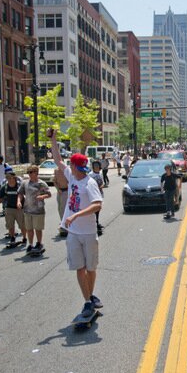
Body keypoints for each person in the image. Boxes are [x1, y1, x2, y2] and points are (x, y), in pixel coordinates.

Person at [50, 130, 104, 319]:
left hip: (88, 232)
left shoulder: (89, 183)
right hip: (74, 233)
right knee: (79, 268)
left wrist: (76, 215)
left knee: (90, 268)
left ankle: (90, 295)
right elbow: (57, 159)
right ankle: (88, 301)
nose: (72, 168)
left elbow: (97, 205)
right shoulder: (71, 177)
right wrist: (53, 139)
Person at [17, 165, 51, 254]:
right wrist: (19, 202)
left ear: (36, 173)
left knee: (38, 229)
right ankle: (31, 244)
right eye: (28, 172)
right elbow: (20, 193)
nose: (29, 174)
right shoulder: (25, 183)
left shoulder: (41, 183)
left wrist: (42, 196)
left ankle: (39, 243)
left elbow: (49, 194)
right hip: (27, 209)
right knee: (29, 229)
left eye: (31, 172)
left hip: (38, 210)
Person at [0, 168, 26, 247]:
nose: (8, 179)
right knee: (10, 225)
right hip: (9, 208)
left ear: (14, 177)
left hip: (19, 209)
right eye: (7, 177)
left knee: (22, 225)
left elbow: (21, 195)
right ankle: (12, 237)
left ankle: (24, 238)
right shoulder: (4, 187)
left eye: (9, 177)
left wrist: (20, 203)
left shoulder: (19, 186)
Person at [89, 160, 105, 235]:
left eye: (97, 166)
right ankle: (94, 225)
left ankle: (97, 222)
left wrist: (101, 186)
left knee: (98, 210)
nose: (96, 167)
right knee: (94, 210)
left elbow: (102, 182)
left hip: (100, 194)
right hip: (93, 195)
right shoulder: (90, 175)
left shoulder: (100, 173)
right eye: (95, 166)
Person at [53, 167, 69, 237]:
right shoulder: (56, 171)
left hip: (66, 191)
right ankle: (62, 223)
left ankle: (65, 225)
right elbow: (54, 181)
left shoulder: (66, 171)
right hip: (59, 192)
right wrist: (58, 189)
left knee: (64, 208)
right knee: (59, 208)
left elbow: (70, 181)